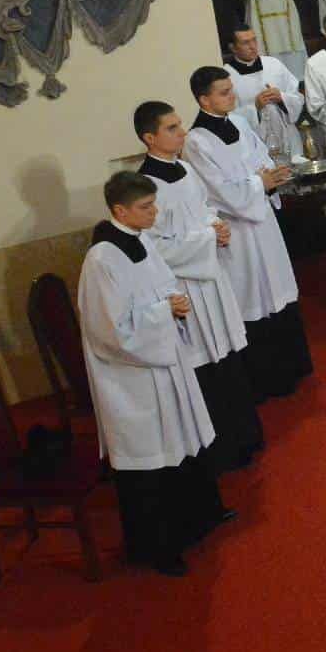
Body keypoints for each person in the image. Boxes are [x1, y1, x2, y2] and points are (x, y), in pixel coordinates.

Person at [78, 172, 231, 576]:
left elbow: (162, 283)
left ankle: (198, 519)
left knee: (182, 442)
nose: (155, 213)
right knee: (152, 462)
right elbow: (110, 331)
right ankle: (157, 546)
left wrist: (171, 304)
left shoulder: (141, 239)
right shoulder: (101, 261)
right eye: (146, 207)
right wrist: (165, 312)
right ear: (120, 210)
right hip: (133, 379)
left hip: (165, 360)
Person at [135, 101, 264, 472]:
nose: (183, 133)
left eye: (180, 125)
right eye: (172, 128)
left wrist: (216, 225)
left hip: (211, 279)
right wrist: (207, 238)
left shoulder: (187, 170)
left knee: (227, 357)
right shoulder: (145, 187)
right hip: (185, 287)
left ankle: (245, 436)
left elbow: (204, 208)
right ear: (149, 137)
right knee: (204, 365)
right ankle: (221, 449)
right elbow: (154, 246)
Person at [183, 66, 313, 397]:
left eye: (231, 89)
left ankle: (292, 367)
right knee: (252, 294)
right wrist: (259, 183)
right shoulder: (197, 142)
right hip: (238, 231)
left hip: (263, 220)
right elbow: (219, 190)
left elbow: (261, 157)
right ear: (204, 100)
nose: (233, 96)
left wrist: (270, 176)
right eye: (224, 92)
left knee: (277, 287)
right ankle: (266, 378)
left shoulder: (240, 123)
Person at [225, 25, 305, 165]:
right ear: (233, 47)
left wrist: (282, 98)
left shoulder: (274, 64)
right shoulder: (227, 76)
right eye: (245, 43)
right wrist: (255, 108)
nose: (252, 46)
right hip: (255, 149)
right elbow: (228, 117)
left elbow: (297, 97)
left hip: (290, 144)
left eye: (254, 40)